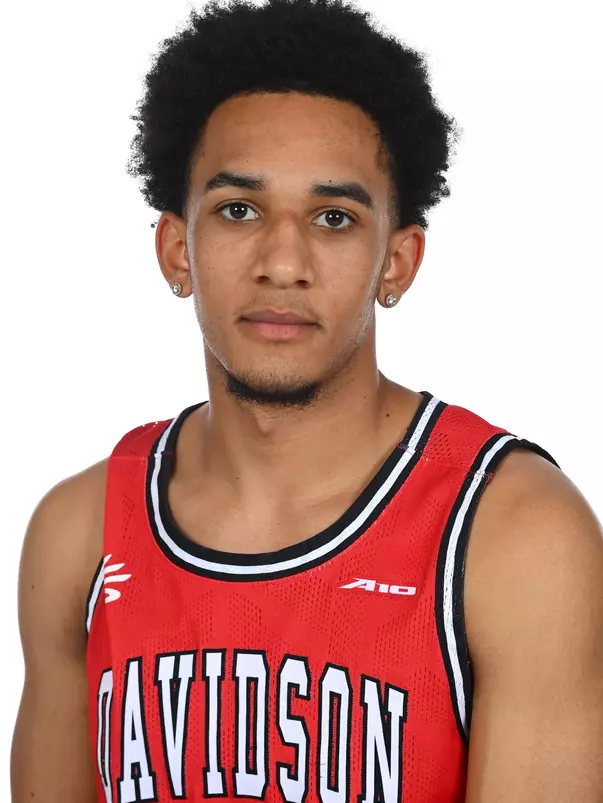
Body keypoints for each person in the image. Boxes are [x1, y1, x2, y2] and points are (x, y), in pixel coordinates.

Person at [10, 0, 603, 800]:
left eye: (332, 217)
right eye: (238, 210)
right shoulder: (77, 532)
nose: (281, 261)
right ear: (176, 248)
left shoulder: (515, 535)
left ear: (396, 262)